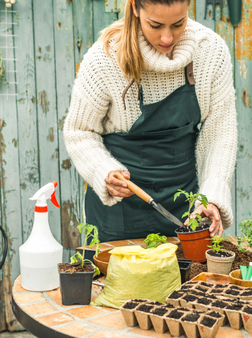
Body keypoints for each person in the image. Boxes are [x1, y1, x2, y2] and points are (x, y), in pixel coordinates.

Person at [63, 0, 237, 242]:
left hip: (185, 206)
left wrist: (211, 197)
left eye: (178, 23)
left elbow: (220, 132)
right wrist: (104, 171)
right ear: (135, 8)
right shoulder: (105, 57)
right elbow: (79, 131)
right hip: (119, 210)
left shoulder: (210, 51)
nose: (167, 38)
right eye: (155, 25)